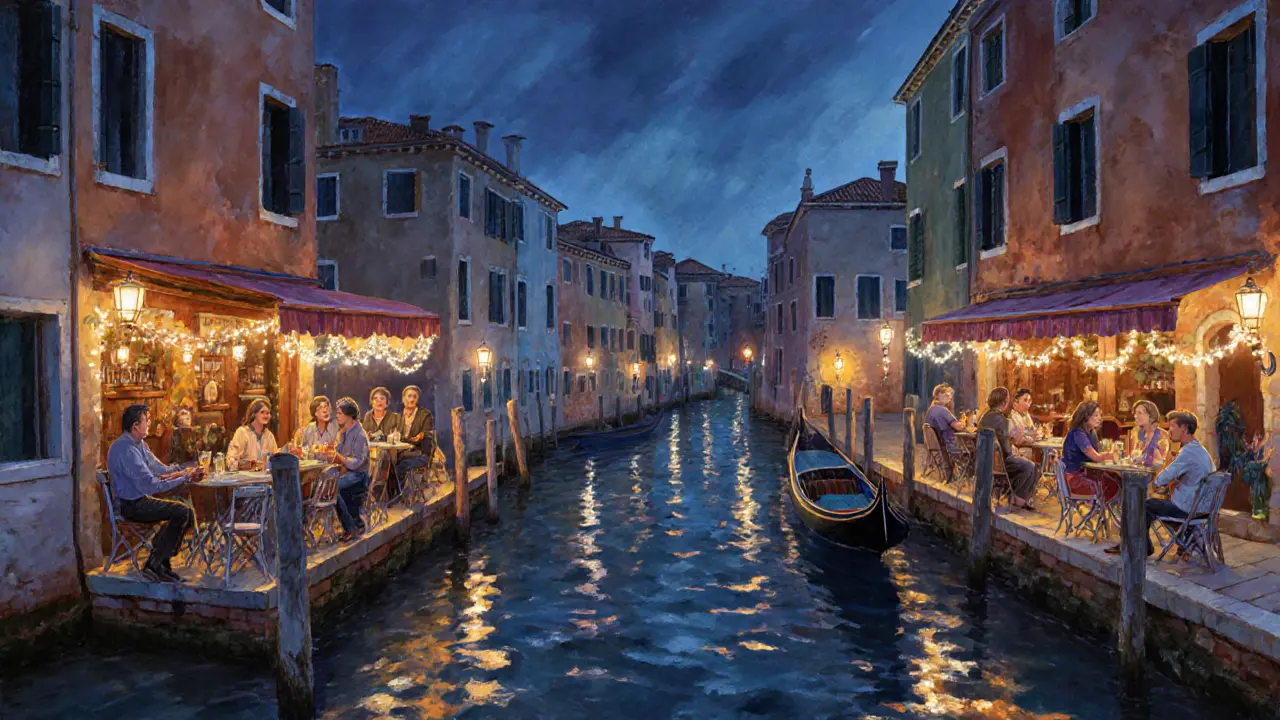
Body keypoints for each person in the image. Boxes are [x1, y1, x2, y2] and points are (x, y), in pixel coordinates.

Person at [106, 404, 198, 583]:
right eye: (146, 420)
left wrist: (184, 469)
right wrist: (184, 478)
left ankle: (160, 561)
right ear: (135, 426)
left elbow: (160, 469)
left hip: (139, 500)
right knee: (182, 512)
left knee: (188, 513)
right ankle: (156, 563)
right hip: (130, 506)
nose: (149, 423)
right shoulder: (126, 450)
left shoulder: (138, 444)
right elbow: (151, 485)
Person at [1106, 411, 1215, 556]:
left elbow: (1160, 479)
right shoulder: (1199, 450)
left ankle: (1139, 546)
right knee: (1151, 503)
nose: (1169, 430)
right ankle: (1138, 544)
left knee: (1144, 505)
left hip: (1188, 508)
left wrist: (1166, 468)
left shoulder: (1187, 452)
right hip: (1202, 507)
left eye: (1172, 426)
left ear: (1184, 428)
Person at [978, 387, 1040, 509]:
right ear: (1005, 402)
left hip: (986, 460)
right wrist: (1019, 439)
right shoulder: (1002, 420)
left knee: (1024, 463)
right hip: (1000, 462)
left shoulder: (985, 417)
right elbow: (1007, 449)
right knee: (1031, 466)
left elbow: (1009, 438)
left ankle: (1016, 496)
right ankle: (1019, 498)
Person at [325, 397, 370, 541]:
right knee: (329, 486)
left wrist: (340, 458)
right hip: (348, 474)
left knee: (332, 488)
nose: (336, 416)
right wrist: (329, 452)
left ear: (349, 415)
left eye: (339, 413)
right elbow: (337, 451)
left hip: (359, 476)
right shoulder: (345, 432)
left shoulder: (360, 435)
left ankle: (350, 528)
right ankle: (356, 523)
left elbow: (357, 462)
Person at [1062, 400, 1120, 502]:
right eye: (1096, 415)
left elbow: (1095, 454)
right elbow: (1096, 457)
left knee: (1117, 479)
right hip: (1075, 480)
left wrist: (1108, 454)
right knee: (1112, 483)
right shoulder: (1078, 433)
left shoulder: (1091, 432)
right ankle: (1103, 511)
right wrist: (1111, 455)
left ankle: (1109, 511)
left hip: (1086, 474)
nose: (1100, 418)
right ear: (1086, 417)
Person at [226, 399, 278, 471]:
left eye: (268, 413)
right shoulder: (242, 432)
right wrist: (245, 465)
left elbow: (275, 458)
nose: (266, 415)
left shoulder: (269, 435)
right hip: (245, 479)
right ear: (254, 414)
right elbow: (230, 460)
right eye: (262, 412)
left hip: (264, 478)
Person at [395, 385, 435, 478]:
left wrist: (421, 436)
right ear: (403, 398)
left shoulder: (425, 415)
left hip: (420, 454)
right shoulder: (398, 416)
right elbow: (393, 434)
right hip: (402, 453)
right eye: (409, 396)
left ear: (418, 399)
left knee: (399, 467)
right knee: (386, 464)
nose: (412, 399)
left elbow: (426, 434)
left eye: (415, 396)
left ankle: (401, 492)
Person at [925, 383, 966, 453]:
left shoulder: (932, 409)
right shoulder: (942, 410)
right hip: (948, 447)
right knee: (972, 448)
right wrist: (964, 421)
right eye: (944, 393)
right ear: (937, 395)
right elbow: (959, 427)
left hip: (937, 446)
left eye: (949, 395)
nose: (948, 396)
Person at [1130, 400, 1169, 469]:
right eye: (1135, 413)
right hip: (1136, 472)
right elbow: (1133, 456)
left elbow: (1162, 463)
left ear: (1151, 415)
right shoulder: (1136, 433)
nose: (1135, 416)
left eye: (1139, 413)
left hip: (1154, 475)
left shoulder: (1162, 435)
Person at [1008, 389, 1039, 460]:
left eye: (1029, 400)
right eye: (1025, 400)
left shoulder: (1026, 415)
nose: (1028, 403)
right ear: (1016, 403)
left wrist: (1036, 433)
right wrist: (1029, 437)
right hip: (1018, 453)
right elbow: (1016, 440)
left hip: (1029, 449)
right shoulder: (1012, 417)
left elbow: (1032, 431)